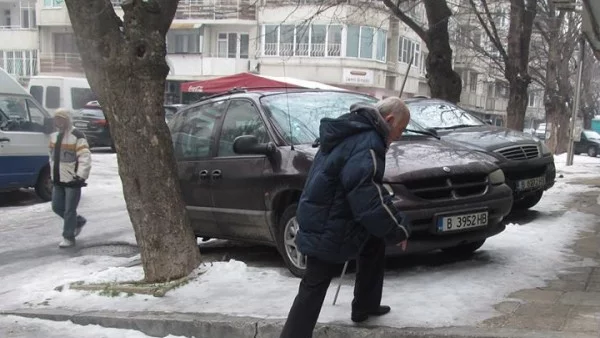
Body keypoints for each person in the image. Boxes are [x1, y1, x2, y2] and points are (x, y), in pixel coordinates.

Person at [280, 97, 412, 338]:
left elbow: (366, 185)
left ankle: (365, 305)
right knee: (314, 284)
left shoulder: (355, 131)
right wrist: (397, 229)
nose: (400, 136)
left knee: (373, 242)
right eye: (401, 129)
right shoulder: (368, 142)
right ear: (390, 120)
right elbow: (366, 197)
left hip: (329, 211)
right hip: (328, 220)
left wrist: (391, 221)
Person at [49, 108, 92, 248]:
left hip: (72, 180)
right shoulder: (54, 136)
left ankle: (68, 237)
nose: (59, 122)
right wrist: (52, 175)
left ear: (67, 120)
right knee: (56, 207)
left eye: (61, 119)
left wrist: (81, 176)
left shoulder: (77, 136)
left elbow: (85, 157)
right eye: (57, 119)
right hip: (58, 179)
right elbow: (52, 158)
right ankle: (77, 222)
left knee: (69, 210)